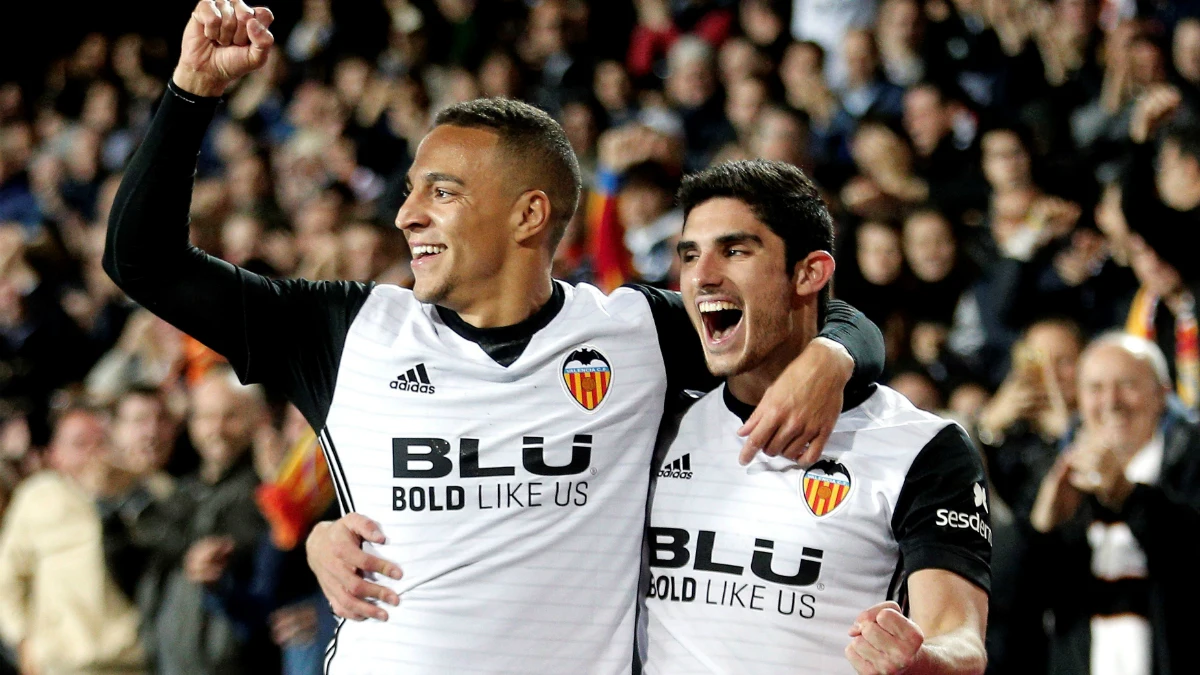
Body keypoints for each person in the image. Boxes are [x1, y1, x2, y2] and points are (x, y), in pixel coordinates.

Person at [105, 4, 885, 673]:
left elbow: (801, 308)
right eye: (409, 192)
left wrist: (829, 356)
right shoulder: (346, 329)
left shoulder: (635, 332)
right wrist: (190, 94)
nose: (406, 215)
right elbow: (140, 260)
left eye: (441, 192)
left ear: (529, 215)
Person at [642, 160, 989, 674]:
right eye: (690, 255)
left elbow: (960, 638)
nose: (702, 276)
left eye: (734, 250)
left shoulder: (923, 448)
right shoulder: (655, 419)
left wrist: (923, 660)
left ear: (810, 272)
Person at [1028, 333, 1200, 675]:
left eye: (1127, 385)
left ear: (1162, 395)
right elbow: (1023, 603)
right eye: (1095, 388)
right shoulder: (1049, 471)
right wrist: (1042, 529)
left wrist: (1127, 496)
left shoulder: (1193, 462)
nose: (1111, 402)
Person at [0, 407, 147, 675]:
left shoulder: (142, 491)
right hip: (60, 662)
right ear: (55, 454)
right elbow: (6, 577)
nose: (93, 452)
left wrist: (119, 492)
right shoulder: (38, 496)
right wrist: (21, 639)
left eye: (101, 441)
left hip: (131, 661)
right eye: (80, 444)